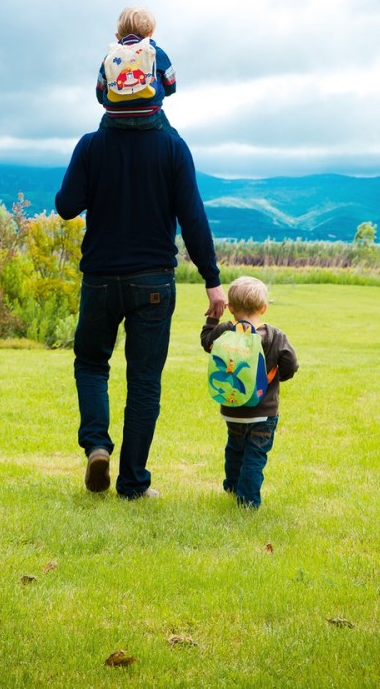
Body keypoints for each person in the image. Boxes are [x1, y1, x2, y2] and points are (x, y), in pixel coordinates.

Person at [55, 123, 226, 500]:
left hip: (100, 278)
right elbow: (193, 217)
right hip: (153, 282)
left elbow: (66, 206)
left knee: (91, 363)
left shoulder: (90, 145)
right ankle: (132, 484)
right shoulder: (172, 147)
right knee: (144, 382)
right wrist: (212, 280)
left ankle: (97, 445)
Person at [200, 276, 299, 509]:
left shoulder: (225, 331)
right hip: (264, 412)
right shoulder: (275, 336)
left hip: (233, 408)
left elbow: (207, 343)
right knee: (255, 454)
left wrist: (213, 318)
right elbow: (291, 363)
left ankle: (233, 486)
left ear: (231, 308)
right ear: (263, 308)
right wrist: (277, 378)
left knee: (235, 448)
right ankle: (248, 501)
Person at [96, 6, 177, 133]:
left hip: (114, 117)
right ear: (150, 34)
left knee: (99, 139)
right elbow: (170, 87)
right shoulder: (156, 53)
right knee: (174, 139)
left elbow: (100, 94)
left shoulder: (110, 57)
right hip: (150, 116)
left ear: (118, 36)